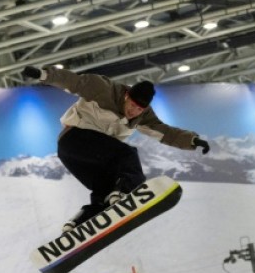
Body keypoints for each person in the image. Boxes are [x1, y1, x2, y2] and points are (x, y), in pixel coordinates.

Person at [22, 66, 210, 231]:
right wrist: (43, 74)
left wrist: (192, 141)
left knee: (105, 187)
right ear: (126, 95)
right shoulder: (101, 88)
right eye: (132, 105)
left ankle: (81, 222)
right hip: (75, 139)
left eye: (139, 110)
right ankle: (127, 191)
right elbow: (72, 81)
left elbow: (165, 132)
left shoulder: (143, 116)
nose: (134, 112)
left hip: (87, 156)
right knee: (126, 154)